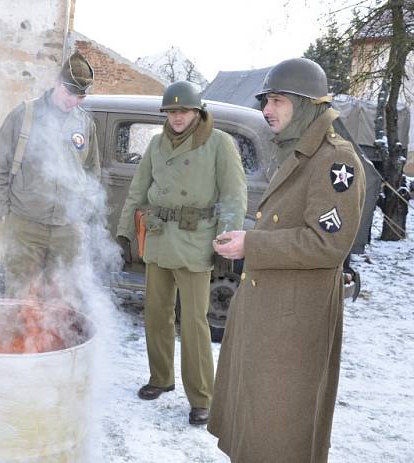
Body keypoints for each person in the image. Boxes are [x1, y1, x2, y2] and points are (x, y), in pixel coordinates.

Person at [208, 58, 366, 462]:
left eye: (278, 100)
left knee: (279, 433)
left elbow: (326, 244)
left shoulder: (336, 160)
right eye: (266, 100)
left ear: (307, 104)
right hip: (272, 314)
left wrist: (252, 245)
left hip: (293, 328)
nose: (267, 110)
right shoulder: (299, 151)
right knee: (256, 423)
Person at [116, 81, 247, 426]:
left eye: (183, 111)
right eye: (172, 111)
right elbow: (138, 189)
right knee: (156, 315)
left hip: (195, 241)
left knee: (194, 323)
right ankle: (161, 378)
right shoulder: (157, 144)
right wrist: (124, 233)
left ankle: (202, 396)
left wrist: (226, 240)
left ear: (197, 112)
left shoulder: (219, 143)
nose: (177, 117)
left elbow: (234, 196)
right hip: (159, 240)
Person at [0, 52, 101, 303]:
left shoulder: (85, 123)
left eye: (80, 96)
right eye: (69, 93)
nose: (73, 101)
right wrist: (3, 210)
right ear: (57, 82)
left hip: (67, 229)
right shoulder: (24, 115)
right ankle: (17, 341)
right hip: (25, 224)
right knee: (20, 296)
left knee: (63, 299)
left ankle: (55, 343)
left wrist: (84, 212)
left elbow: (91, 172)